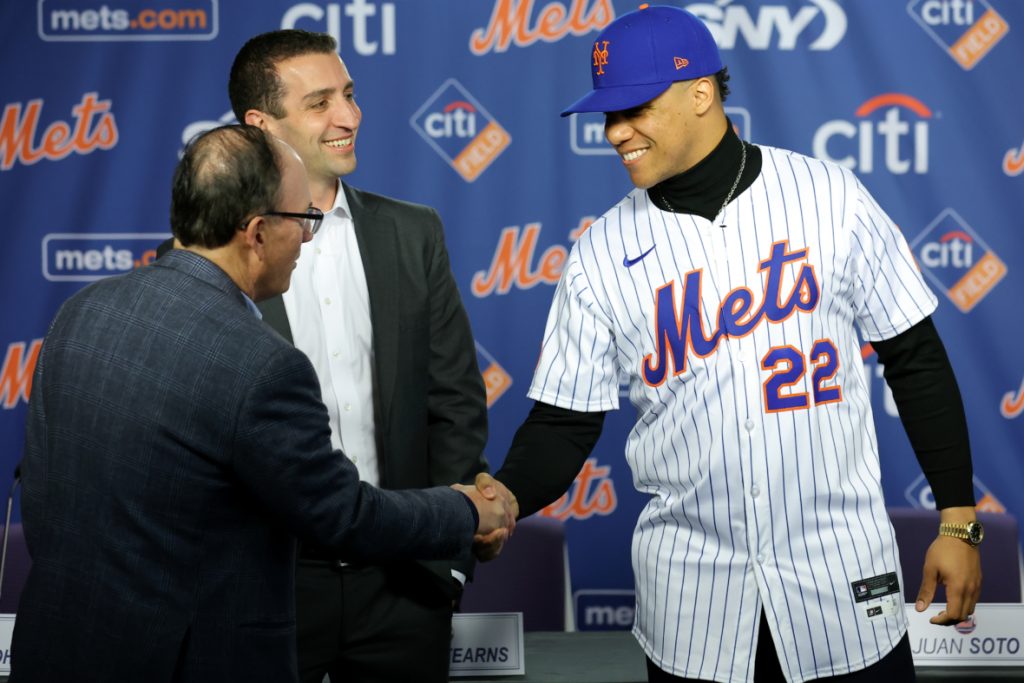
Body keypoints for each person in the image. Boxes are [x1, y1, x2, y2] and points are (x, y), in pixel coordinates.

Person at [475, 5, 982, 682]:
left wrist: (956, 520)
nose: (616, 132)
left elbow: (913, 355)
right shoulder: (600, 253)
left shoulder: (827, 197)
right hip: (694, 605)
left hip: (842, 581)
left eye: (635, 108)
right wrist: (504, 496)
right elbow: (565, 422)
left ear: (701, 92)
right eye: (607, 115)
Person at [12, 125, 511, 683]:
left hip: (60, 645)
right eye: (304, 221)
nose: (307, 239)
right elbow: (341, 515)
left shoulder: (81, 311)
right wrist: (467, 511)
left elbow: (42, 492)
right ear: (255, 232)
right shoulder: (261, 363)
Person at [227, 29, 490, 683]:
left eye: (348, 94)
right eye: (319, 103)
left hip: (404, 583)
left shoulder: (413, 231)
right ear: (260, 124)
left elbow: (454, 402)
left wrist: (446, 565)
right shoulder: (215, 255)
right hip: (268, 590)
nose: (349, 116)